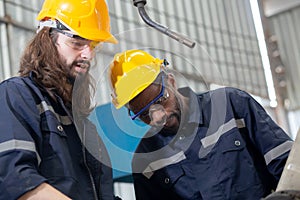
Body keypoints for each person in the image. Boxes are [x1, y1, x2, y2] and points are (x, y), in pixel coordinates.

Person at [108, 49, 294, 200]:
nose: (157, 117)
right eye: (143, 114)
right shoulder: (145, 159)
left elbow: (287, 167)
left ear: (171, 81)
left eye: (160, 101)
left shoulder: (231, 105)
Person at [0, 0, 120, 199]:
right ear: (46, 39)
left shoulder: (86, 129)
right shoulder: (16, 96)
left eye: (93, 45)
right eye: (77, 43)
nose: (88, 54)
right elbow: (14, 180)